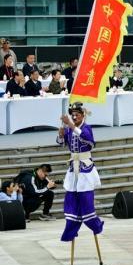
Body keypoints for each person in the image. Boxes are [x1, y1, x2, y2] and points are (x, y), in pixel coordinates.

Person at [57, 103, 104, 242]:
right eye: (72, 115)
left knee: (86, 199)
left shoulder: (86, 128)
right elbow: (61, 143)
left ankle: (95, 224)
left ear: (83, 115)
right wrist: (61, 135)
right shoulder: (69, 129)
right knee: (71, 198)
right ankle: (71, 229)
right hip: (73, 167)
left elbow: (90, 142)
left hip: (85, 168)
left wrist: (71, 126)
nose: (74, 117)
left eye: (77, 114)